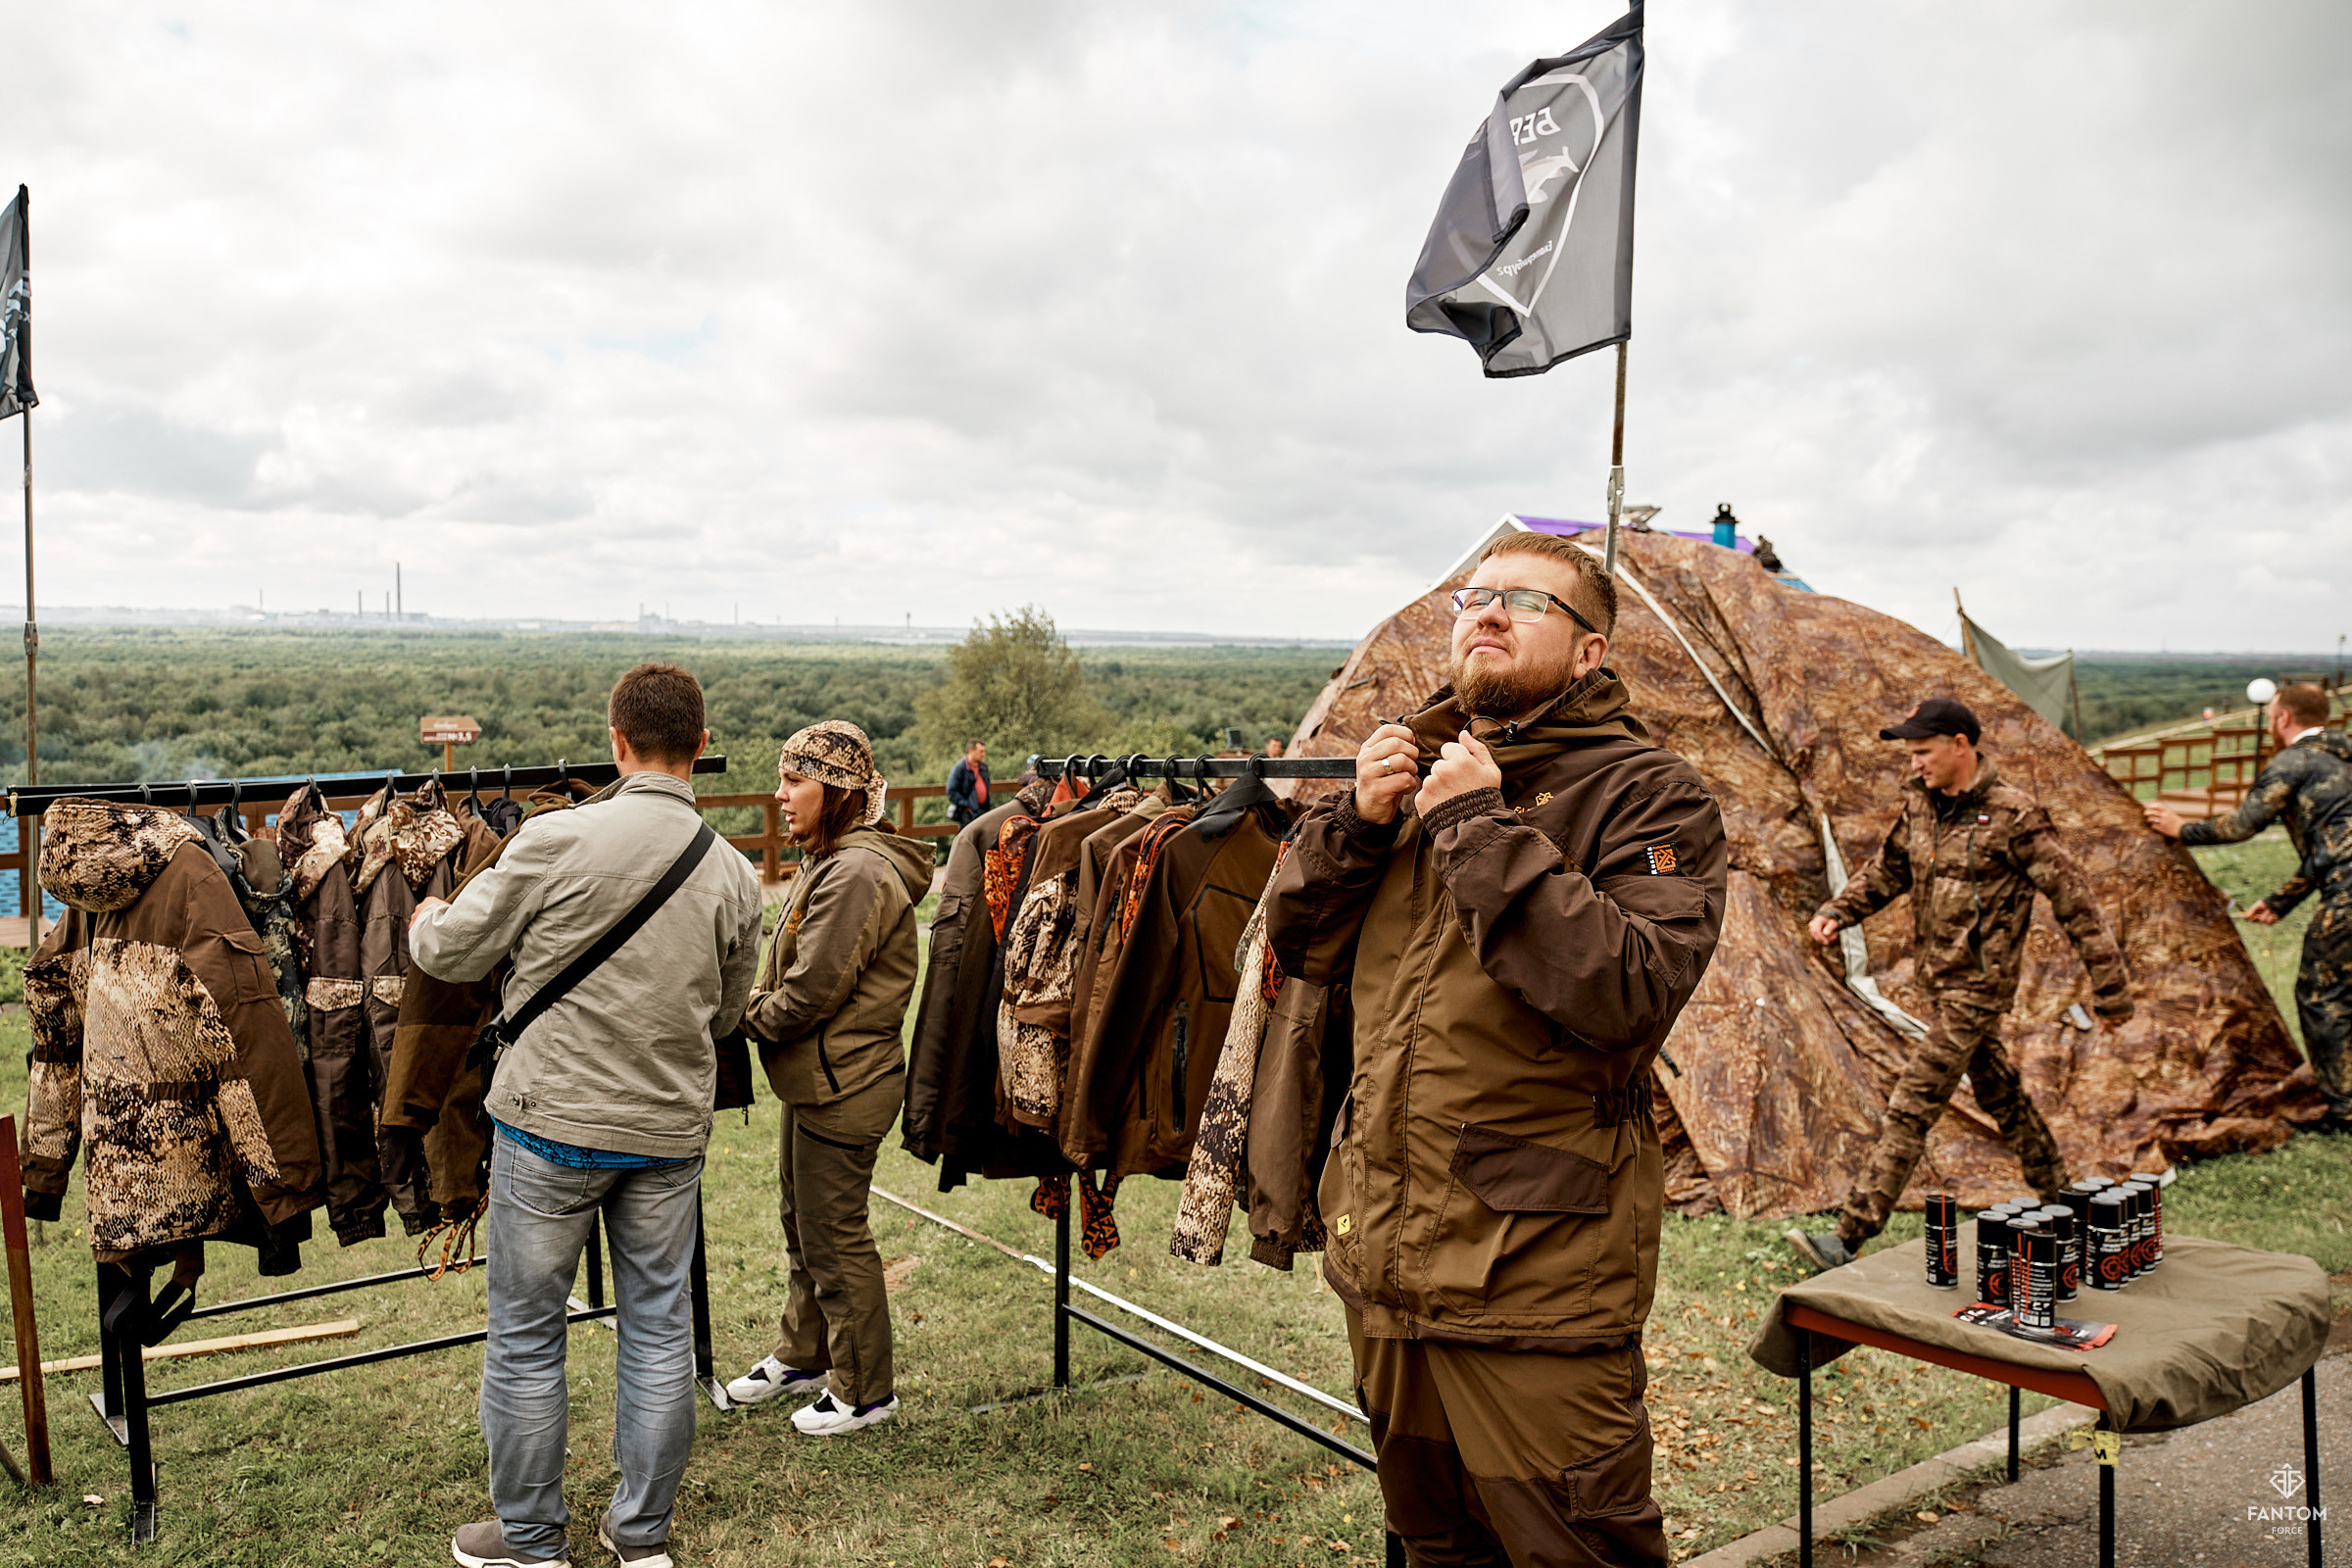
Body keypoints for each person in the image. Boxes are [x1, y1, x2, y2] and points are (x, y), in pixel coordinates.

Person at [1266, 530, 1728, 1568]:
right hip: (1387, 1251)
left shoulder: (1650, 796)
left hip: (1535, 1270)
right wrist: (1355, 825)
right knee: (1434, 1542)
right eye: (1474, 595)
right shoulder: (1414, 778)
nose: (1486, 611)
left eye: (1526, 601)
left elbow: (1627, 989)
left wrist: (1475, 821)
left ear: (1588, 654)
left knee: (1575, 1548)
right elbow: (1297, 951)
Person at [412, 663, 762, 1568]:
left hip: (547, 1124)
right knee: (657, 1328)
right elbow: (727, 1016)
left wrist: (421, 915)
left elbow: (452, 954)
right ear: (701, 743)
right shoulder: (731, 871)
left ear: (616, 740)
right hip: (666, 1135)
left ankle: (530, 1541)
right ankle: (641, 1535)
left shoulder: (554, 838)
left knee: (527, 1337)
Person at [1788, 697, 2133, 1274]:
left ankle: (1848, 1235)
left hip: (1980, 989)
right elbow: (1890, 870)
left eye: (1923, 752)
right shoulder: (1921, 806)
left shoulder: (2014, 817)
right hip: (1941, 985)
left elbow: (2076, 904)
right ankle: (2064, 1203)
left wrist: (2112, 992)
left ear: (1961, 746)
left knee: (1913, 1101)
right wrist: (1839, 911)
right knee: (2003, 1097)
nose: (1915, 763)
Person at [724, 721, 933, 1435]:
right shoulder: (831, 858)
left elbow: (809, 994)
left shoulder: (856, 874)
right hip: (815, 1081)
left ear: (838, 792)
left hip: (845, 1085)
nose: (780, 795)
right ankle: (803, 1355)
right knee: (803, 1226)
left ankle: (865, 1392)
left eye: (795, 781)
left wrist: (735, 1012)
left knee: (835, 1237)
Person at [2145, 683, 2352, 1132]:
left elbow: (2242, 825)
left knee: (2321, 996)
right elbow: (2332, 848)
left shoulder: (2293, 762)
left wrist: (2182, 830)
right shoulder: (2344, 756)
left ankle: (2344, 1111)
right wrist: (2281, 901)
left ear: (2282, 718)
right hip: (2342, 883)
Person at [945, 738, 990, 828]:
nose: (983, 754)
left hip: (982, 811)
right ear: (971, 751)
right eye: (980, 751)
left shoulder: (983, 767)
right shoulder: (960, 768)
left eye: (984, 751)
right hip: (967, 814)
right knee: (967, 839)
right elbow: (951, 791)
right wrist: (966, 805)